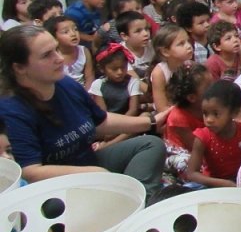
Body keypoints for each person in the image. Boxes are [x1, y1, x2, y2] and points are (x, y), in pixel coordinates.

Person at [0, 25, 168, 195]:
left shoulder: (65, 84)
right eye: (46, 55)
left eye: (56, 49)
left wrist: (152, 121)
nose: (59, 58)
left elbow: (100, 121)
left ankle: (134, 197)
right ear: (19, 68)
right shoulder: (11, 110)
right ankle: (128, 196)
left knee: (151, 145)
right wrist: (94, 174)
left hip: (89, 162)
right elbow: (31, 172)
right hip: (53, 189)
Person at [184, 80, 241, 187]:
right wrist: (224, 184)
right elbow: (192, 173)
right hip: (212, 185)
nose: (209, 120)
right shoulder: (203, 137)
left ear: (234, 112)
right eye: (205, 113)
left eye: (216, 114)